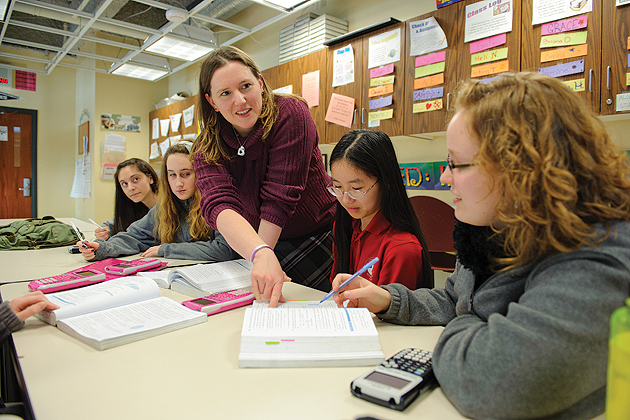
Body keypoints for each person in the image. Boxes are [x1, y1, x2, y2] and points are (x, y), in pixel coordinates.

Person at [331, 72, 630, 420]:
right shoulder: (495, 232)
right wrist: (390, 299)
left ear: (520, 167)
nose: (444, 178)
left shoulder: (597, 261)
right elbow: (454, 298)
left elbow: (489, 381)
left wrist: (469, 320)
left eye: (456, 164)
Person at [192, 46, 336, 306]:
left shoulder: (290, 113)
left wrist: (262, 254)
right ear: (211, 101)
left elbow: (280, 198)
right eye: (225, 93)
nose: (240, 100)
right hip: (253, 244)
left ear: (260, 82)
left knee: (307, 310)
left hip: (315, 237)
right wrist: (259, 253)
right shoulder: (205, 147)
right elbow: (219, 205)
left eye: (245, 86)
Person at [78, 143, 235, 262]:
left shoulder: (217, 204)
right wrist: (101, 248)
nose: (178, 183)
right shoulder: (164, 207)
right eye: (172, 175)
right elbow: (135, 236)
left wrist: (166, 249)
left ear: (200, 173)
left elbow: (225, 250)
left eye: (185, 174)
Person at [328, 129, 432, 290]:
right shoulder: (346, 227)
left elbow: (390, 313)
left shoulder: (402, 248)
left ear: (386, 182)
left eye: (356, 188)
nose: (346, 199)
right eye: (338, 187)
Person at [95, 158, 159, 240]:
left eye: (135, 179)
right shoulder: (136, 206)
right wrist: (103, 231)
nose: (130, 188)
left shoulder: (168, 205)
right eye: (124, 184)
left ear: (150, 179)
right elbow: (113, 223)